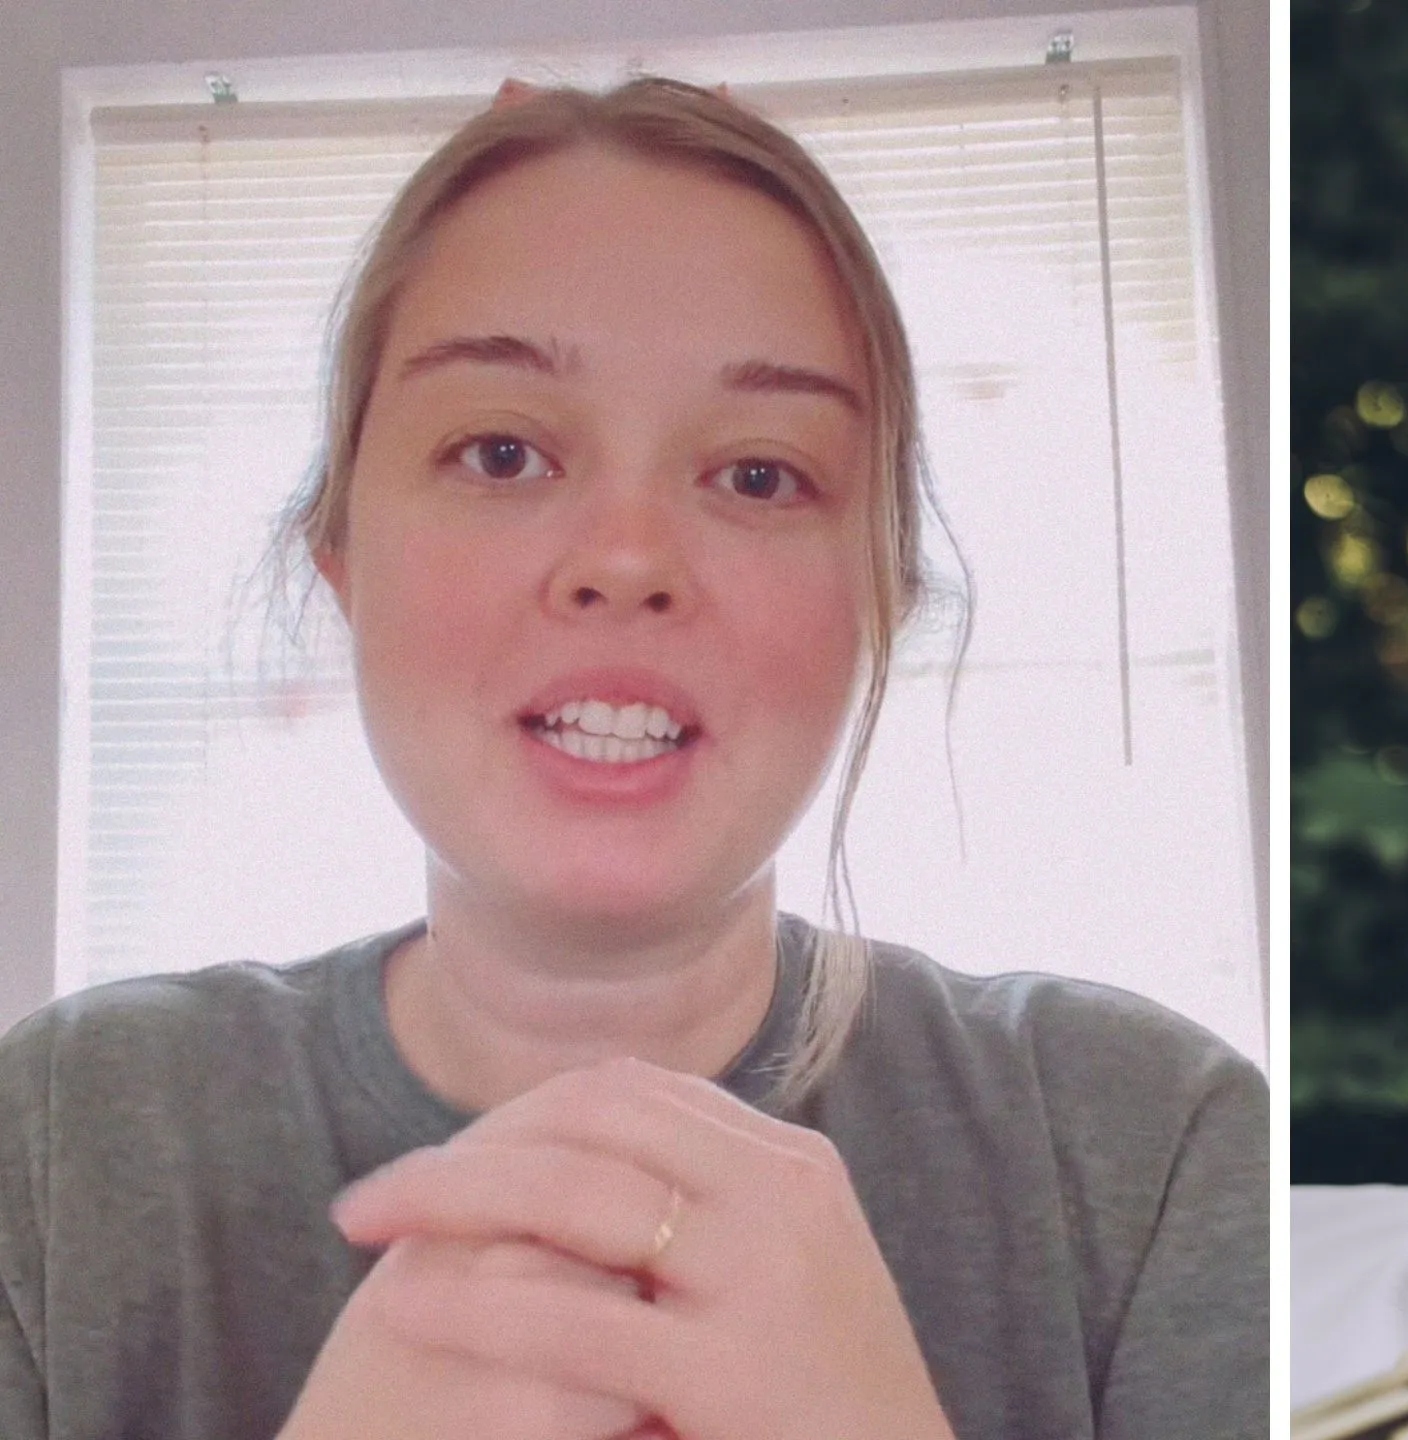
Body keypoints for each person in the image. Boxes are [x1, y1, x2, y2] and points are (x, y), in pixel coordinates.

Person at [0, 77, 1267, 1440]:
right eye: (500, 453)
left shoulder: (1158, 1150)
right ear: (340, 556)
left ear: (881, 594)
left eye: (760, 475)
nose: (625, 559)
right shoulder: (56, 1143)